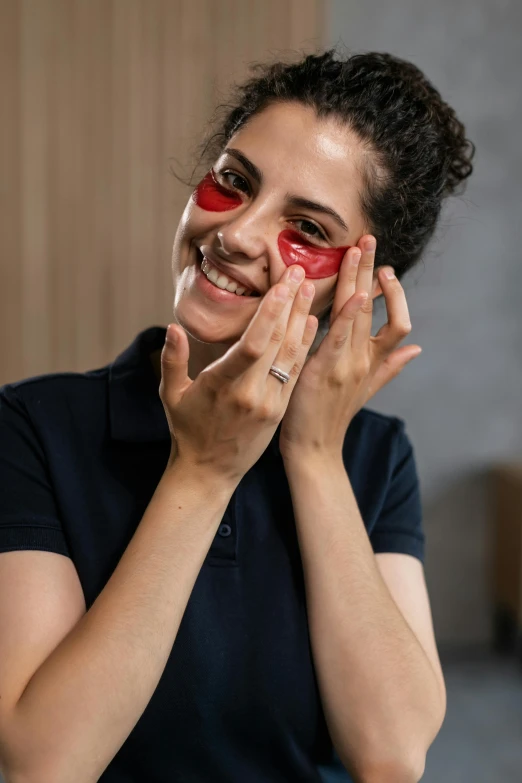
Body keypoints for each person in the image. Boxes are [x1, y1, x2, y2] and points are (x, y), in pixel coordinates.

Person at [0, 49, 474, 783]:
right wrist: (202, 472)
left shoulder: (375, 456)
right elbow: (44, 761)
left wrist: (314, 453)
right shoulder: (32, 426)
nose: (238, 233)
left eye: (308, 230)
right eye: (234, 181)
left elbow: (391, 752)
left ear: (360, 288)